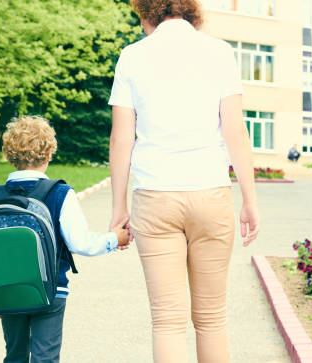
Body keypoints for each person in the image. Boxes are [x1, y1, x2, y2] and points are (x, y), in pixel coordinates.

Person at [108, 1, 260, 362]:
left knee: (167, 322)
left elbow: (120, 138)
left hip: (155, 197)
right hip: (210, 194)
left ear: (147, 11)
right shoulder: (220, 52)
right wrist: (250, 200)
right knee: (211, 319)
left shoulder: (131, 56)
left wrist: (119, 207)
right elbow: (236, 130)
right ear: (190, 11)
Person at [0, 116, 130, 363]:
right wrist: (114, 239)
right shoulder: (60, 193)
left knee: (14, 356)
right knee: (45, 358)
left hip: (8, 291)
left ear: (9, 154)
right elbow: (80, 243)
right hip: (50, 291)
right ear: (49, 153)